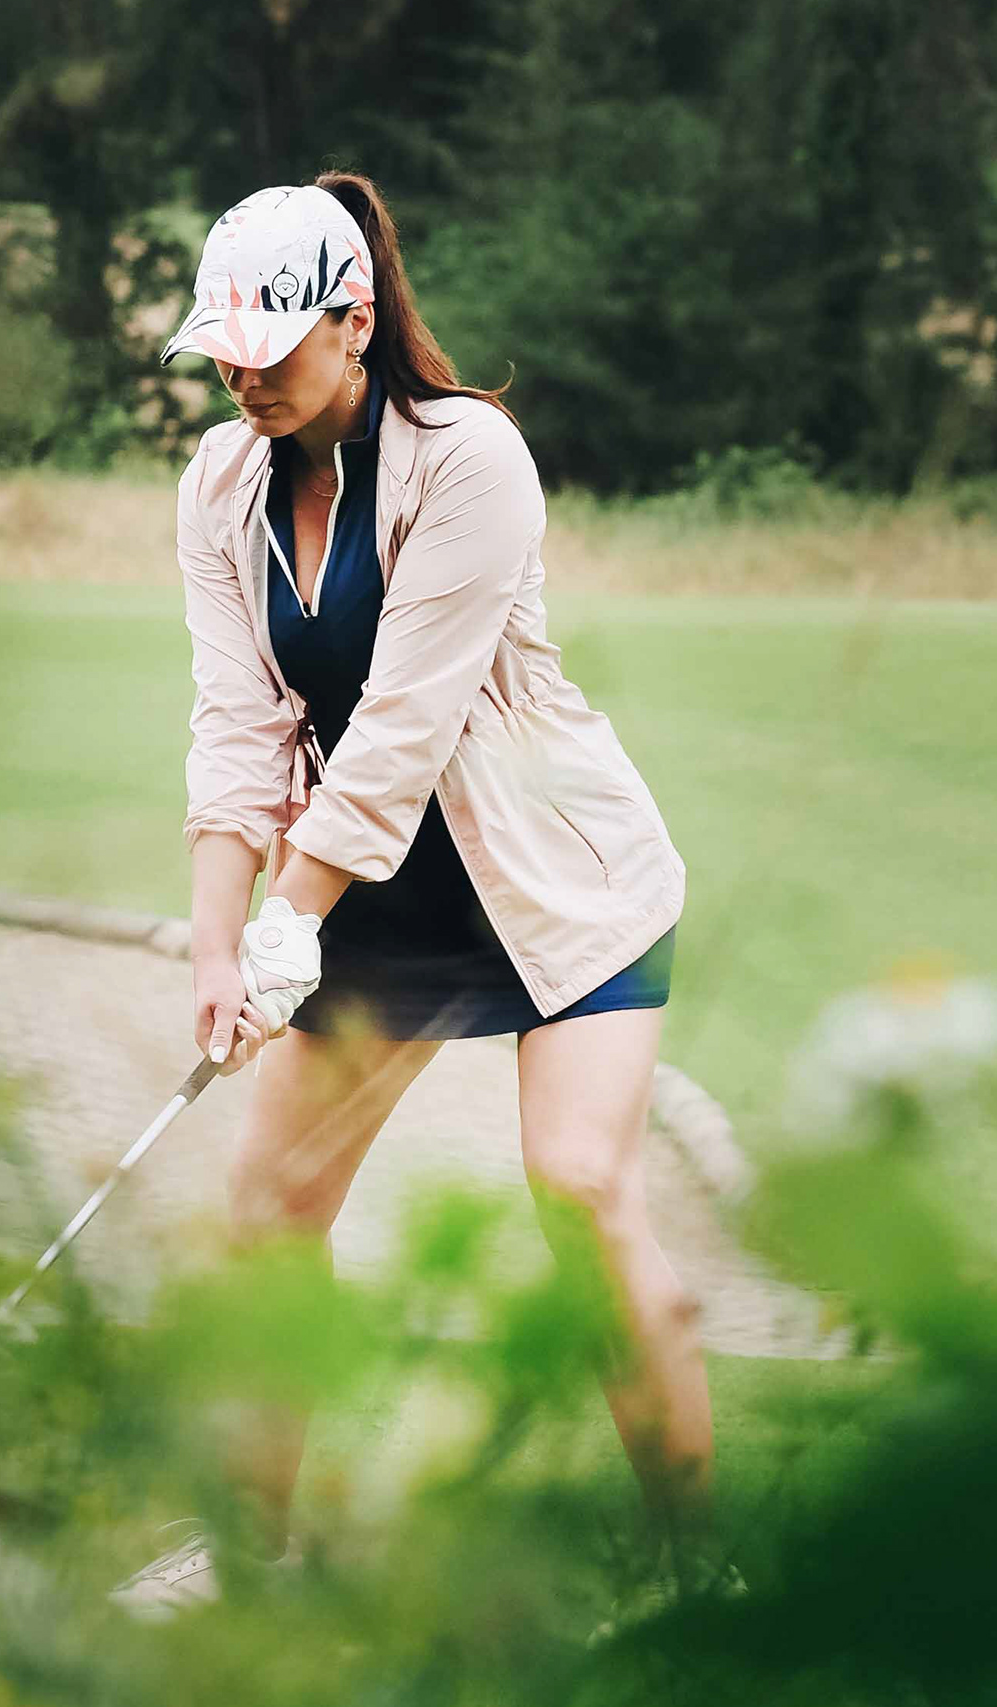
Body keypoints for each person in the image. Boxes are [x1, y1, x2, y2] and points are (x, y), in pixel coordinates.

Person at [113, 174, 699, 1616]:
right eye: (226, 345)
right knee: (268, 1208)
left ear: (354, 318)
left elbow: (401, 728)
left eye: (273, 339)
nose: (244, 368)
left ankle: (706, 1579)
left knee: (580, 1185)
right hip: (377, 900)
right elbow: (238, 725)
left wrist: (285, 918)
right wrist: (216, 943)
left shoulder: (471, 459)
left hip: (554, 877)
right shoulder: (220, 483)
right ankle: (249, 1554)